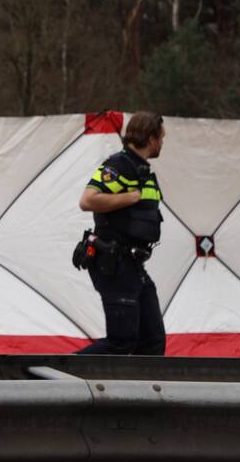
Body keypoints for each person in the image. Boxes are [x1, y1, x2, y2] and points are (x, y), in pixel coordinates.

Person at [76, 112, 166, 355]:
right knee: (122, 340)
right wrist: (131, 197)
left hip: (134, 264)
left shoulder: (142, 169)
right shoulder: (119, 165)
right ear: (151, 138)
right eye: (161, 138)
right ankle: (54, 372)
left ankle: (140, 383)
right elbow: (87, 200)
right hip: (114, 263)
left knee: (152, 341)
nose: (162, 143)